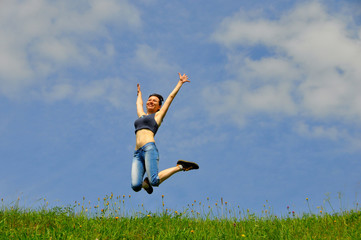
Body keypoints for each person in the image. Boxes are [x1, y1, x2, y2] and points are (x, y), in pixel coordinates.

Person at [131, 73, 199, 194]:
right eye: (149, 100)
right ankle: (145, 183)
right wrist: (139, 94)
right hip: (137, 153)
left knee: (155, 181)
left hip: (148, 148)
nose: (151, 102)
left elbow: (170, 97)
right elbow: (138, 104)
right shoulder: (141, 116)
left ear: (159, 106)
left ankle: (181, 166)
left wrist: (180, 83)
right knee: (136, 186)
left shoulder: (158, 116)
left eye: (154, 101)